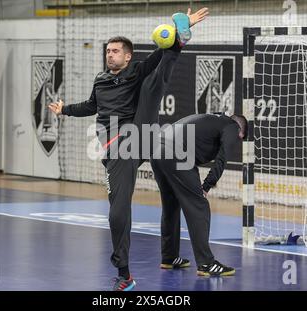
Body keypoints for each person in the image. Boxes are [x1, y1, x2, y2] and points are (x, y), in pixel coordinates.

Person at [48, 8, 209, 291]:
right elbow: (91, 106)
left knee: (152, 86)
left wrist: (173, 33)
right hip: (118, 149)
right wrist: (65, 110)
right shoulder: (100, 79)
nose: (110, 54)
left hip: (137, 131)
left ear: (127, 56)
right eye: (108, 51)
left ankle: (180, 42)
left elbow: (157, 54)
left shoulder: (136, 69)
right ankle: (126, 274)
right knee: (117, 211)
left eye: (115, 51)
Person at [150, 112, 247, 276]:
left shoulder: (213, 119)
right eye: (240, 139)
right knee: (199, 206)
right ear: (241, 132)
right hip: (177, 154)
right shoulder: (232, 127)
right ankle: (206, 263)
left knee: (171, 205)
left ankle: (169, 257)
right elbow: (222, 160)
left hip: (157, 149)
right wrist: (206, 186)